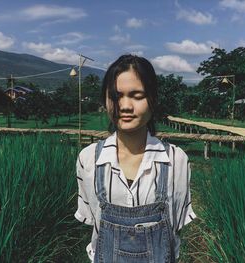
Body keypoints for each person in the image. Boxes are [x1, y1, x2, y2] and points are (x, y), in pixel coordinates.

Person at [74, 54, 196, 262]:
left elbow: (175, 228)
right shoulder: (88, 159)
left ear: (153, 99)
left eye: (137, 95)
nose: (125, 106)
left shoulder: (176, 161)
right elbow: (93, 221)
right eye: (115, 96)